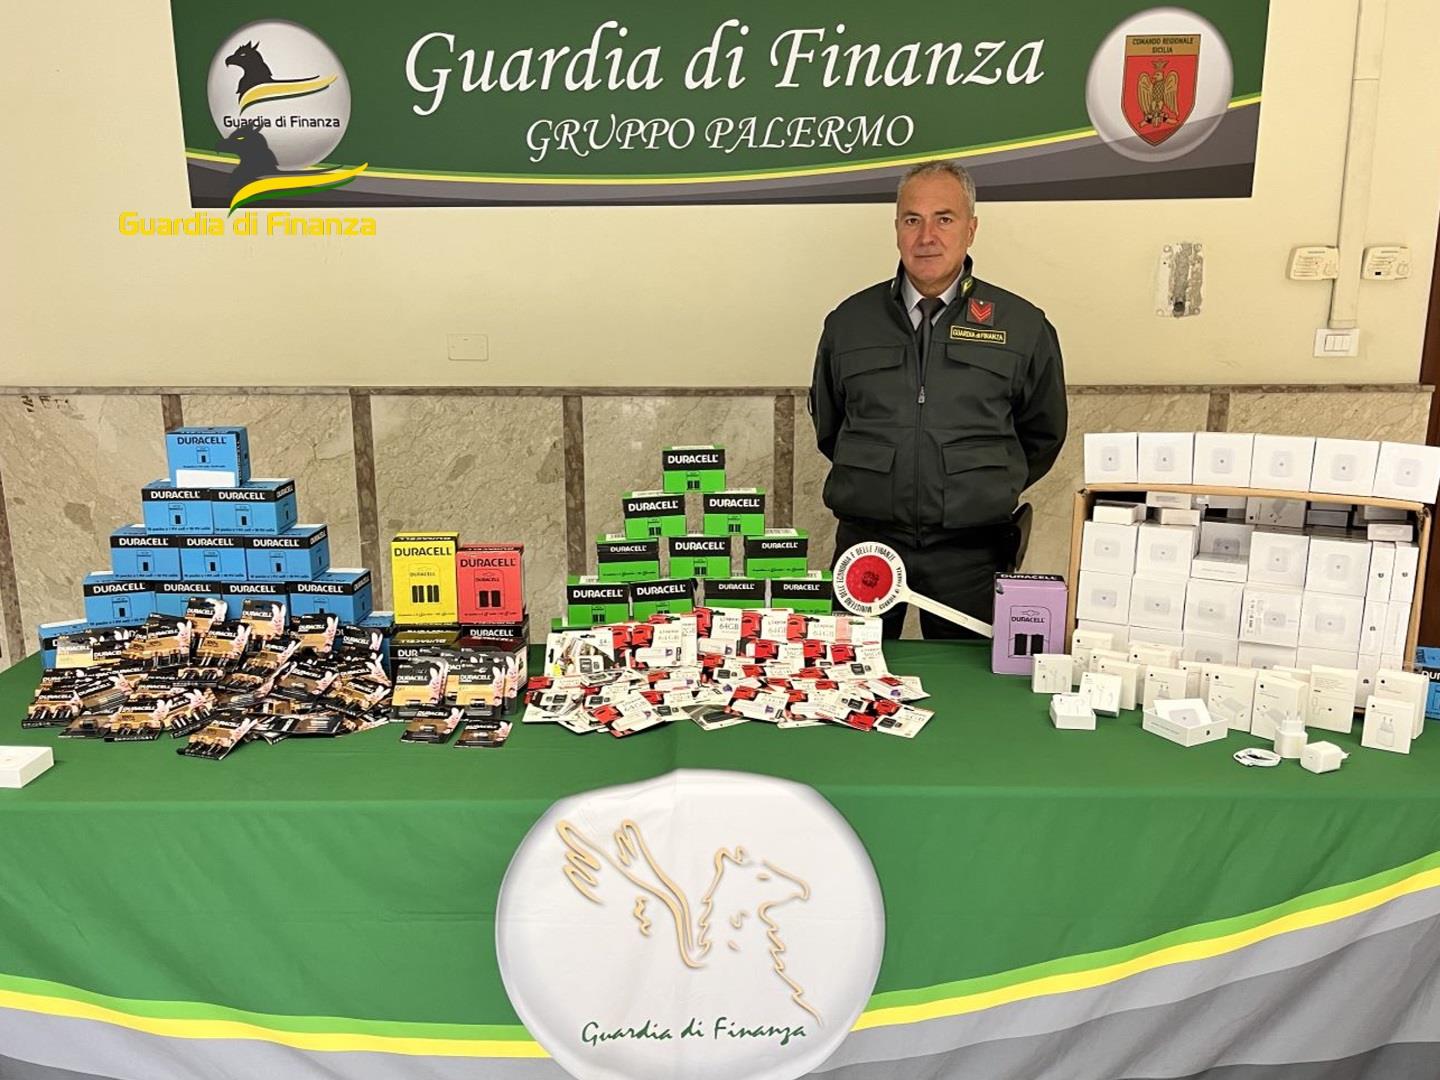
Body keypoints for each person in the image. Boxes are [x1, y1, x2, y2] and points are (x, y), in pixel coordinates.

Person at [808, 160, 1067, 639]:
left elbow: (1042, 433)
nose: (927, 236)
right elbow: (830, 427)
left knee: (967, 679)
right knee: (849, 673)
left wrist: (978, 485)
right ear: (897, 229)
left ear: (971, 228)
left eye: (944, 219)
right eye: (913, 219)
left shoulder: (1022, 326)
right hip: (868, 549)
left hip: (971, 554)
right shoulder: (849, 323)